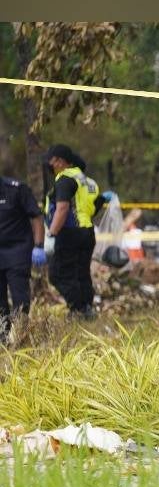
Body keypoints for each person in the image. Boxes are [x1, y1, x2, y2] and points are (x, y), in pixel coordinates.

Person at [43, 144, 114, 319]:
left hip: (69, 232)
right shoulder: (88, 181)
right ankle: (87, 309)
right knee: (81, 273)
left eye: (51, 161)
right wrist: (103, 199)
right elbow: (93, 208)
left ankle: (77, 309)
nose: (49, 165)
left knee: (58, 274)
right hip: (87, 232)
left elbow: (62, 209)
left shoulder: (65, 179)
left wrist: (51, 234)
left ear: (60, 161)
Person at [0, 175, 46, 345]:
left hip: (17, 252)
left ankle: (20, 336)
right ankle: (3, 338)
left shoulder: (17, 189)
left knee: (20, 299)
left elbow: (36, 216)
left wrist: (39, 245)